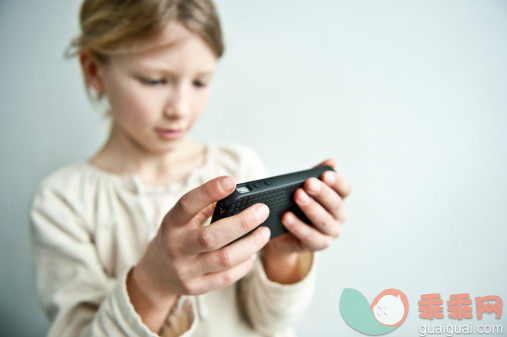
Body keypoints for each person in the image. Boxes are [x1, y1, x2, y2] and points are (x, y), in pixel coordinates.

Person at [29, 1, 351, 336]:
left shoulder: (238, 166)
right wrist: (153, 284)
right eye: (155, 80)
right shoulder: (62, 201)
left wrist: (282, 254)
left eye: (199, 82)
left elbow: (272, 322)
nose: (180, 109)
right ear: (94, 71)